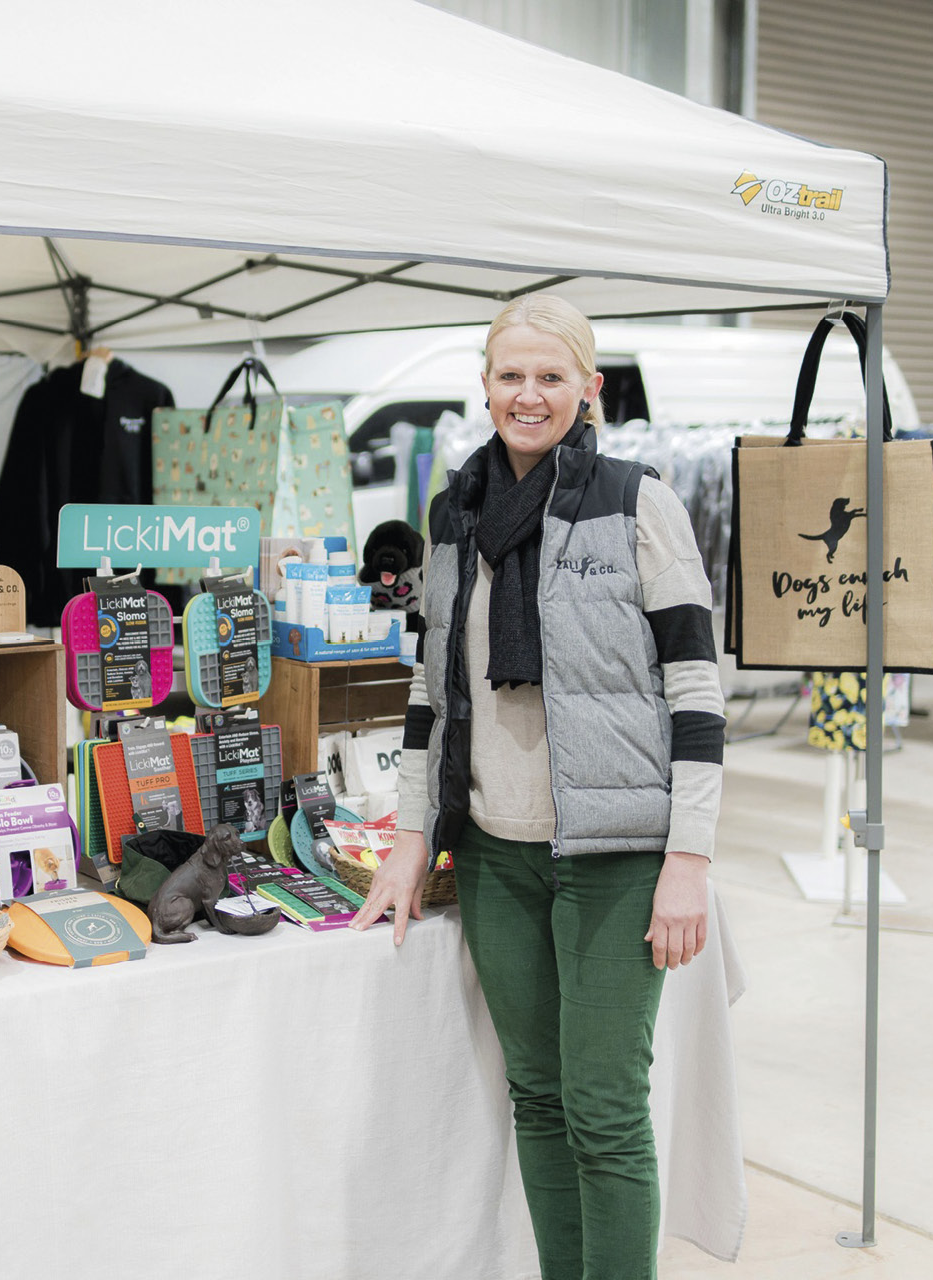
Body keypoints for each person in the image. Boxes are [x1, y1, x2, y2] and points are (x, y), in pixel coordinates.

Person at [352, 294, 723, 1279]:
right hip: (496, 853)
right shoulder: (453, 514)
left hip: (615, 854)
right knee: (541, 1095)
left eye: (551, 376)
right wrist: (408, 838)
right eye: (511, 375)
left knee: (603, 1103)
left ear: (589, 388)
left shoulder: (640, 502)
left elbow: (695, 685)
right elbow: (432, 686)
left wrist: (688, 856)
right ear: (485, 386)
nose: (529, 394)